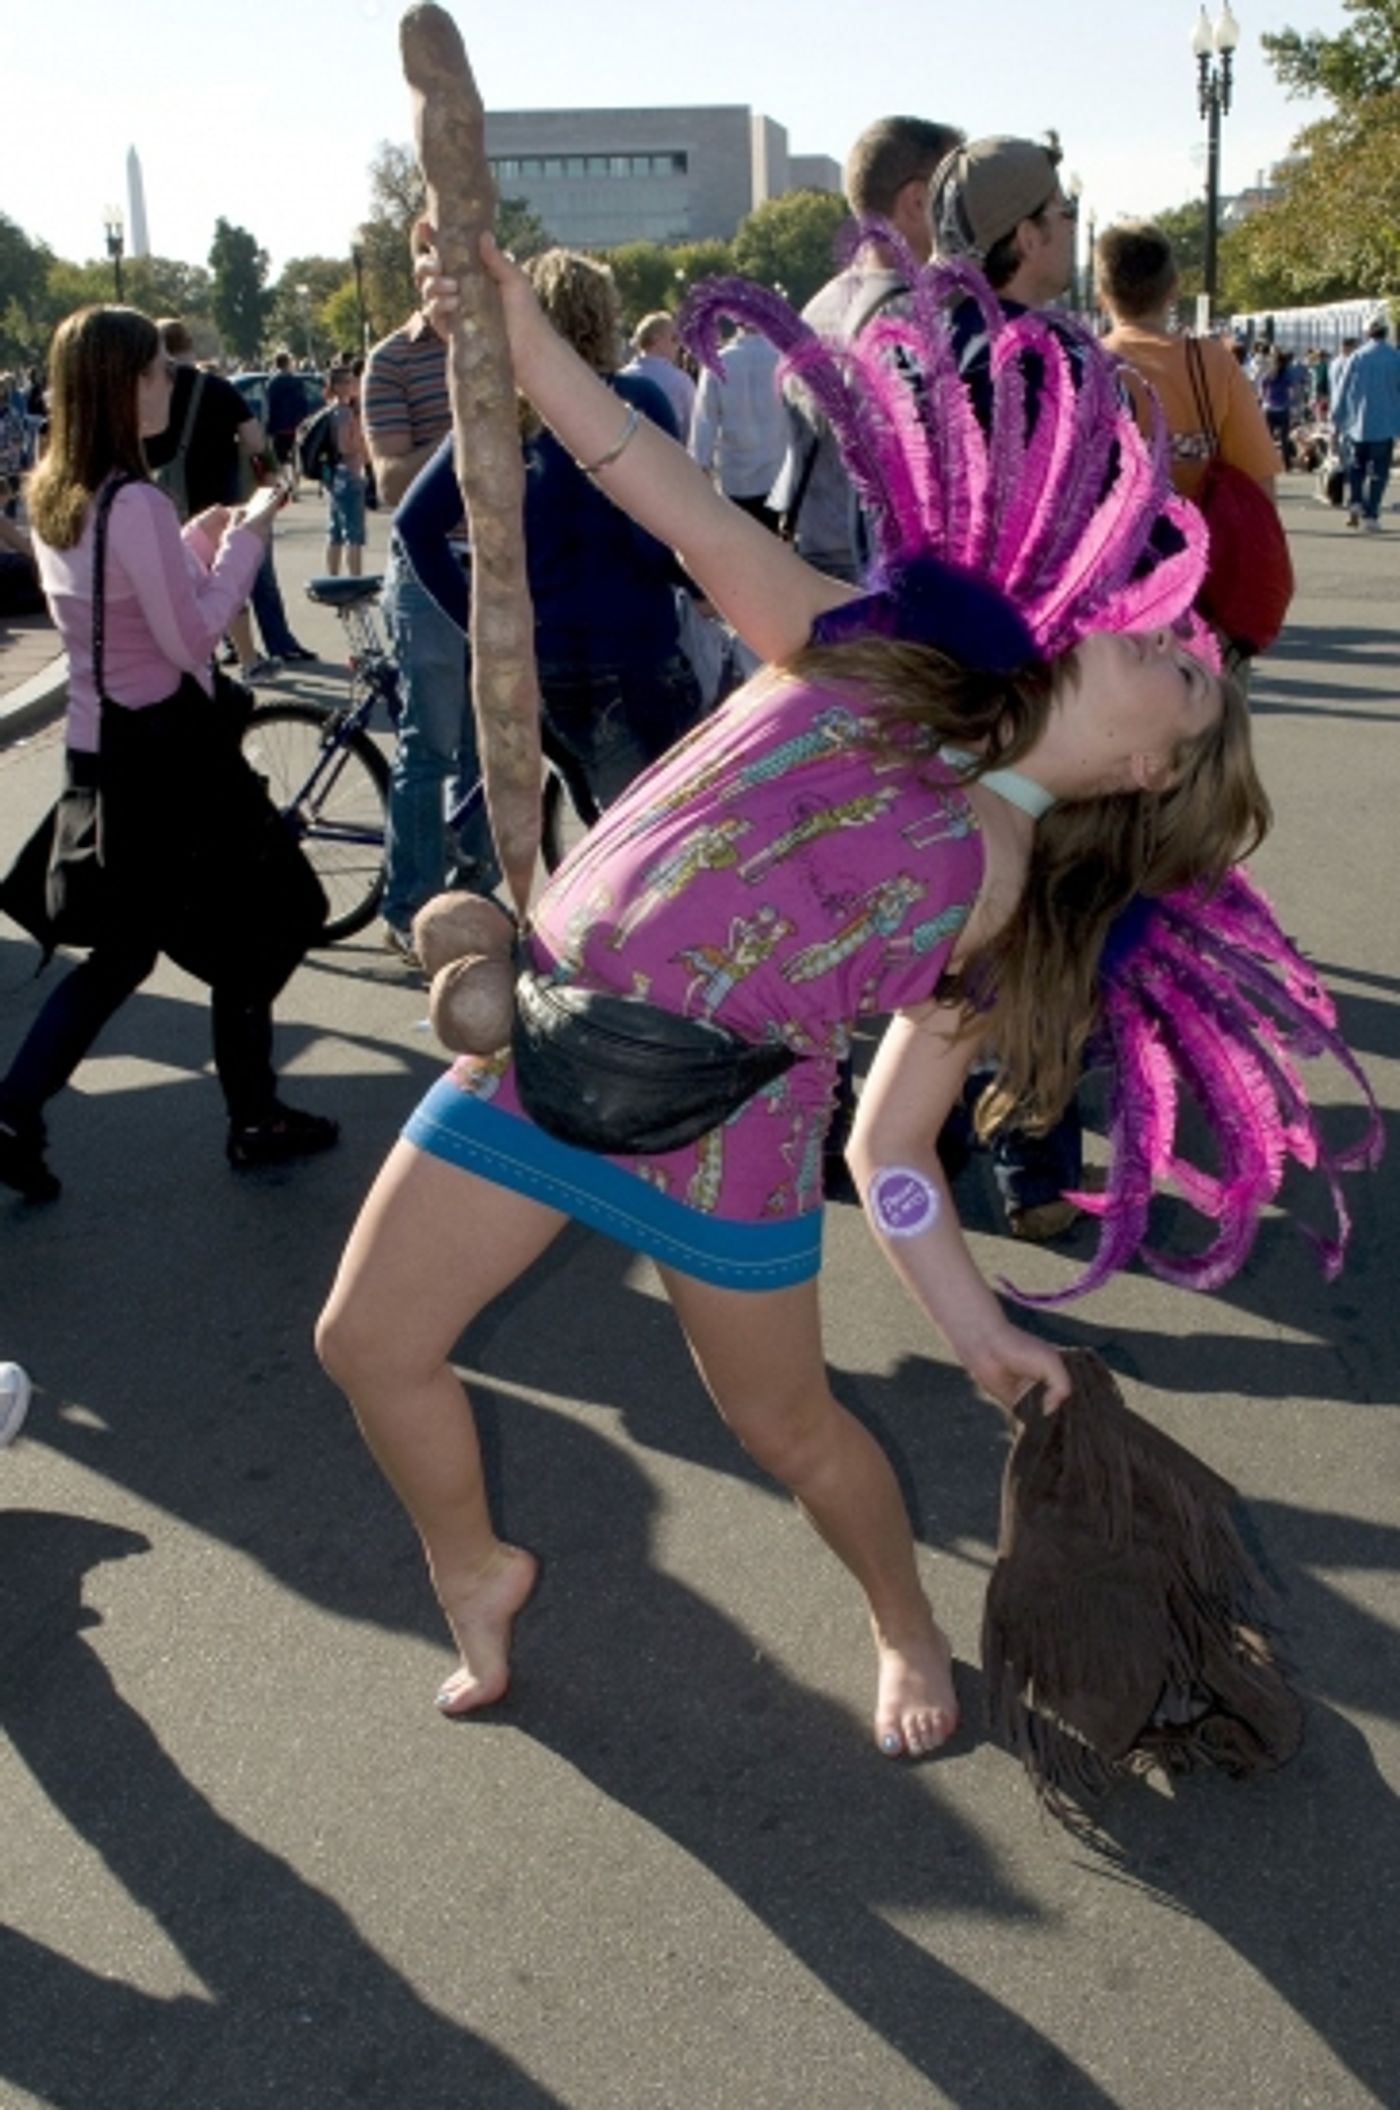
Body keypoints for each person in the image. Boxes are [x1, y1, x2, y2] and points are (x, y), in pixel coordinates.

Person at [316, 233, 1268, 1764]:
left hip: (735, 1142)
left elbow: (893, 1152)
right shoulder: (874, 642)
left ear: (1155, 767)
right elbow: (658, 483)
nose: (1176, 637)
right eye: (1168, 627)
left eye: (1197, 673)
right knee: (366, 1340)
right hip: (542, 1051)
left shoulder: (1011, 899)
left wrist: (975, 1330)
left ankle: (901, 1616)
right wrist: (512, 324)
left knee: (789, 1427)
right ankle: (473, 1565)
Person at [0, 306, 338, 1203]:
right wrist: (246, 541)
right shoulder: (135, 500)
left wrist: (201, 538)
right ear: (116, 385)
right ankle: (255, 1115)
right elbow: (192, 637)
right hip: (175, 761)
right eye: (153, 371)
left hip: (103, 754)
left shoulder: (55, 497)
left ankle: (13, 1112)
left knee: (123, 954)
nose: (169, 384)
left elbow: (117, 607)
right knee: (278, 912)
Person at [396, 248, 704, 831]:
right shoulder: (634, 402)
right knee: (661, 846)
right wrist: (706, 582)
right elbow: (660, 535)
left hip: (544, 660)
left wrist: (485, 627)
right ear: (600, 315)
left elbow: (415, 525)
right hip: (633, 649)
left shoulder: (502, 417)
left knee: (606, 833)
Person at [770, 114, 964, 579]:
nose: (967, 213)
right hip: (879, 574)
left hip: (818, 557)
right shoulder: (911, 317)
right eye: (956, 194)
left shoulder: (819, 308)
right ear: (917, 202)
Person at [364, 293, 498, 959]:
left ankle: (475, 895)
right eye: (428, 262)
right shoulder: (390, 362)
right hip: (427, 566)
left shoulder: (502, 345)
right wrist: (463, 430)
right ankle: (409, 904)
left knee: (489, 745)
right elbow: (389, 484)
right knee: (432, 745)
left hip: (496, 564)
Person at [1096, 221, 1280, 507]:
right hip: (1203, 541)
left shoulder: (1087, 365)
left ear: (1102, 299)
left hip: (1112, 545)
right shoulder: (1213, 362)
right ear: (1173, 289)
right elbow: (1258, 480)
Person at [689, 323, 787, 531]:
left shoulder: (719, 362)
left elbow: (704, 422)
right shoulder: (782, 359)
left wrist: (700, 467)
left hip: (735, 477)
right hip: (777, 474)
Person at [1330, 317, 1400, 531]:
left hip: (1356, 423)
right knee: (1380, 471)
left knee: (1356, 467)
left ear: (1367, 333)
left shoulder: (1357, 357)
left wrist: (1336, 419)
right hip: (1386, 423)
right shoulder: (1395, 357)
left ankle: (1356, 501)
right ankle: (1371, 514)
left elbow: (1342, 390)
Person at [321, 364, 368, 578]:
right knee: (354, 534)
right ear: (338, 386)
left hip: (335, 475)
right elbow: (344, 446)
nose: (354, 385)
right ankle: (355, 580)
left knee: (335, 531)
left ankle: (333, 578)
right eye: (349, 381)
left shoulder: (332, 409)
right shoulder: (345, 412)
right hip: (349, 474)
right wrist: (362, 443)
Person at [621, 312, 697, 437]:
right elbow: (693, 429)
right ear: (657, 340)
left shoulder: (622, 377)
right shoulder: (680, 381)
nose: (679, 346)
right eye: (674, 339)